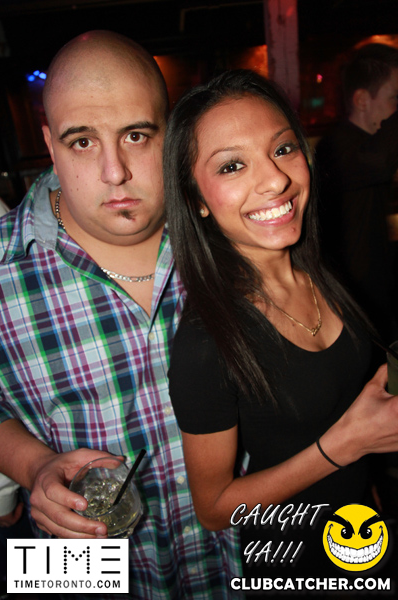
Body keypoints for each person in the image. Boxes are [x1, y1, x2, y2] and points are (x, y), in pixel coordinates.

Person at [0, 31, 242, 599]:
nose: (115, 172)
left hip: (239, 557)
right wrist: (33, 467)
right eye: (82, 141)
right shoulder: (2, 266)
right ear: (50, 144)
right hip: (79, 571)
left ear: (170, 131)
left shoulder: (233, 233)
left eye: (136, 135)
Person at [164, 69, 398, 591]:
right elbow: (214, 508)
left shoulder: (317, 271)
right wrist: (345, 445)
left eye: (284, 149)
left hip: (361, 532)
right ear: (196, 198)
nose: (275, 180)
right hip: (293, 559)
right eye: (232, 165)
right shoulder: (206, 342)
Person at [316, 43, 398, 345]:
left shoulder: (364, 145)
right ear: (362, 100)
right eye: (395, 98)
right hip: (353, 303)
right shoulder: (335, 148)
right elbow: (379, 161)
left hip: (377, 294)